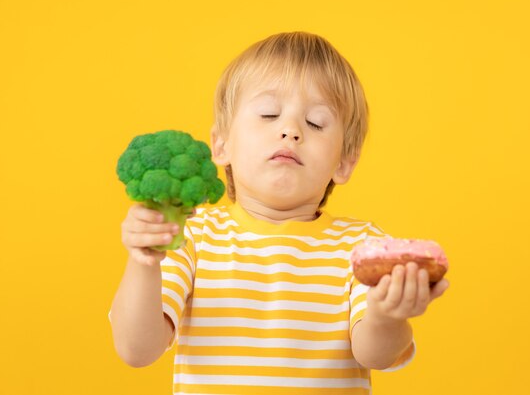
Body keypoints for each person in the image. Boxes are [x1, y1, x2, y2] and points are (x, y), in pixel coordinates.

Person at [109, 31, 450, 394]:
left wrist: (387, 314)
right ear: (221, 144)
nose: (290, 131)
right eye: (269, 114)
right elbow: (136, 349)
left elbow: (375, 355)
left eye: (316, 122)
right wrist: (145, 261)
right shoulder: (191, 236)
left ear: (344, 163)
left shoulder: (363, 247)